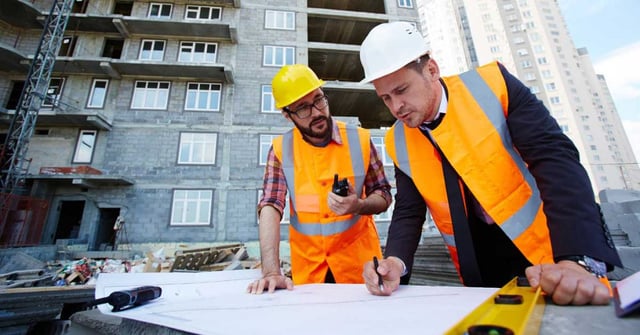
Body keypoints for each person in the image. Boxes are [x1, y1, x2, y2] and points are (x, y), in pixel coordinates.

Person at [358, 22, 622, 305]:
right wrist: (396, 261)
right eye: (385, 97)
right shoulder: (398, 139)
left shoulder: (494, 86)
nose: (396, 106)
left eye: (402, 90)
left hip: (550, 253)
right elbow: (409, 211)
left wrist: (576, 257)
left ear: (432, 70)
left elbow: (555, 160)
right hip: (479, 268)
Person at [247, 64, 393, 294]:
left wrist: (360, 205)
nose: (316, 112)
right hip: (310, 275)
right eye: (303, 108)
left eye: (318, 100)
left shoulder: (360, 140)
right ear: (287, 115)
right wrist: (271, 271)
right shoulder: (280, 150)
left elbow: (383, 194)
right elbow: (270, 206)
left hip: (361, 273)